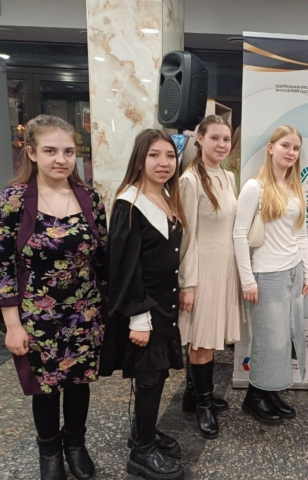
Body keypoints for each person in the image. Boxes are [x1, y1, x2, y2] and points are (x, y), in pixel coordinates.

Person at [0, 115, 107, 480]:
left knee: (79, 381)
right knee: (45, 388)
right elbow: (3, 267)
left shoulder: (90, 198)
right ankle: (49, 452)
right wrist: (12, 326)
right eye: (50, 150)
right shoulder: (13, 200)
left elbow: (102, 259)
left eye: (69, 151)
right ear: (32, 153)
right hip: (36, 314)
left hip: (84, 310)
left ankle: (75, 444)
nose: (61, 159)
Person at [100, 129, 186, 480]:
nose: (163, 163)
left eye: (169, 155)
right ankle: (141, 452)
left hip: (165, 304)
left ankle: (143, 431)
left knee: (158, 373)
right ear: (139, 160)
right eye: (154, 155)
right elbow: (123, 266)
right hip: (145, 307)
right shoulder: (129, 204)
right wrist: (138, 316)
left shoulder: (165, 196)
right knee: (149, 375)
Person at [233, 125, 308, 424]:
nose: (291, 152)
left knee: (285, 339)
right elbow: (239, 234)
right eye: (285, 145)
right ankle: (254, 396)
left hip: (293, 273)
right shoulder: (255, 187)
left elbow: (300, 234)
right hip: (266, 274)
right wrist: (247, 280)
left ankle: (271, 391)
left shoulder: (296, 187)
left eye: (296, 148)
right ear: (271, 148)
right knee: (269, 340)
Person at [178, 115, 242, 439]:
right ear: (200, 139)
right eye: (214, 138)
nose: (221, 144)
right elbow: (187, 236)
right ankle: (203, 405)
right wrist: (187, 283)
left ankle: (194, 395)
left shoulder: (229, 177)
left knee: (212, 337)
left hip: (225, 266)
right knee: (201, 339)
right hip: (203, 267)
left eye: (226, 139)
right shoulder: (190, 180)